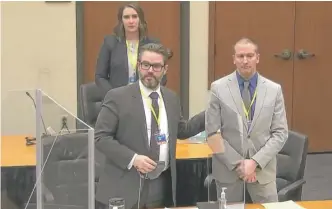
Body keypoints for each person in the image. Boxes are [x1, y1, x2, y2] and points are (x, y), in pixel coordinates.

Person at [94, 43, 205, 209]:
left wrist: (212, 112)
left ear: (165, 69)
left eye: (156, 66)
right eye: (145, 65)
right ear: (139, 66)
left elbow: (181, 130)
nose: (150, 70)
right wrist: (133, 159)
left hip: (160, 186)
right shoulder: (117, 97)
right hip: (124, 186)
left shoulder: (171, 98)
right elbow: (101, 137)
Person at [205, 37, 288, 203]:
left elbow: (281, 133)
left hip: (262, 171)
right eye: (240, 56)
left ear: (257, 58)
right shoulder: (218, 88)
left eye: (249, 56)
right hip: (229, 171)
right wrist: (239, 164)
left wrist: (255, 163)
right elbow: (212, 135)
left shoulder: (274, 90)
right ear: (233, 59)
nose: (245, 60)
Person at [95, 3, 168, 96]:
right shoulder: (110, 43)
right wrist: (113, 95)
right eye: (126, 17)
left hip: (145, 97)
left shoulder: (152, 44)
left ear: (140, 19)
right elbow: (100, 77)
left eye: (134, 17)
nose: (131, 21)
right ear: (121, 20)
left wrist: (150, 92)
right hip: (117, 99)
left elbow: (163, 76)